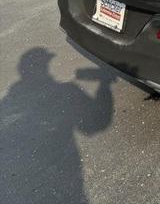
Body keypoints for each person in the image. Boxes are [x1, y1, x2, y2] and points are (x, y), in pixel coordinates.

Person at [0, 47, 114, 204]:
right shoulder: (65, 91)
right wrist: (104, 86)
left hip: (26, 179)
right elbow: (95, 125)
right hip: (62, 175)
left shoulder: (11, 98)